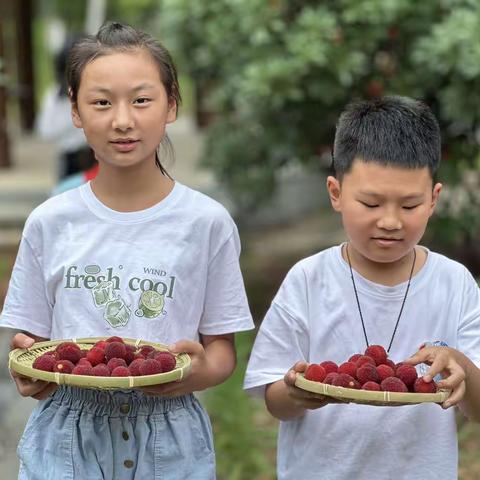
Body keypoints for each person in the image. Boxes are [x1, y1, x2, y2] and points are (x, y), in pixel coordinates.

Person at [1, 22, 254, 480]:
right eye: (101, 102)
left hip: (169, 439)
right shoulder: (50, 222)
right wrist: (30, 371)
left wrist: (190, 374)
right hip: (65, 441)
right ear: (75, 110)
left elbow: (221, 352)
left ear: (171, 104)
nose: (122, 120)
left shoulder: (206, 222)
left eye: (141, 100)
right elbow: (34, 346)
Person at [244, 96, 480, 480]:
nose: (390, 221)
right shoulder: (308, 280)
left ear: (434, 199)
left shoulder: (454, 284)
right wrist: (297, 393)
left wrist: (461, 367)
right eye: (370, 203)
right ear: (335, 193)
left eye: (409, 206)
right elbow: (274, 399)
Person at [36, 36, 97, 180]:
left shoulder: (100, 89)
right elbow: (45, 130)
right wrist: (77, 115)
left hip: (97, 156)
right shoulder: (56, 94)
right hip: (71, 159)